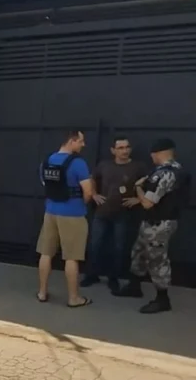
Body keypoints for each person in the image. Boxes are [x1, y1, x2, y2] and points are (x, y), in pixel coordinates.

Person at [113, 138, 188, 313]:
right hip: (155, 221)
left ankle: (163, 299)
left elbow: (147, 203)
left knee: (157, 260)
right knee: (138, 252)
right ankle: (134, 286)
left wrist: (138, 187)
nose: (151, 158)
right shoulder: (176, 170)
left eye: (153, 155)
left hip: (159, 224)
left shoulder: (164, 174)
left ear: (158, 153)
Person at [81, 136, 149, 291]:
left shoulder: (138, 166)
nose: (125, 151)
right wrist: (94, 194)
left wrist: (138, 199)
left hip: (123, 214)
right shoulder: (104, 165)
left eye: (127, 147)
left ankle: (114, 278)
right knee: (95, 245)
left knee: (119, 248)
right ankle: (91, 275)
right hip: (102, 212)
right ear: (113, 150)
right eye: (120, 148)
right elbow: (92, 178)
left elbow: (150, 182)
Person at [36, 130, 95, 308]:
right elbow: (89, 192)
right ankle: (74, 298)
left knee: (46, 253)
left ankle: (42, 292)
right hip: (73, 214)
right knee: (72, 257)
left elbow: (46, 185)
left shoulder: (46, 161)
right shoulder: (78, 164)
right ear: (71, 141)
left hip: (51, 212)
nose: (83, 145)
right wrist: (80, 204)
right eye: (81, 141)